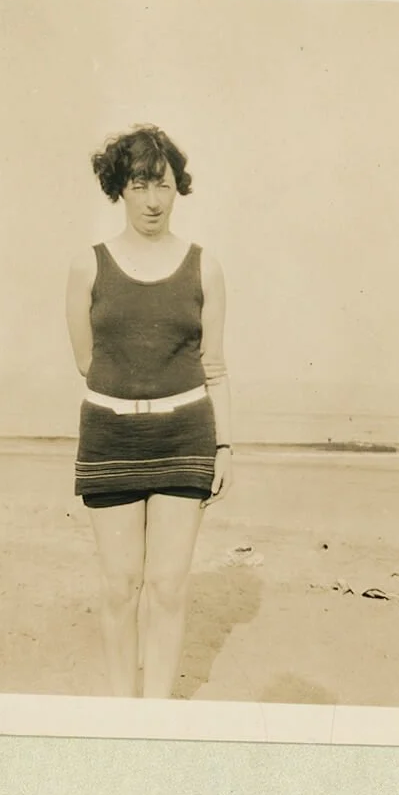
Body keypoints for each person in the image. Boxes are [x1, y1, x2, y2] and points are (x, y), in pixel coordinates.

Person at [65, 125, 233, 697]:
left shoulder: (203, 266)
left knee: (168, 586)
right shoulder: (87, 267)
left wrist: (226, 445)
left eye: (162, 185)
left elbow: (214, 364)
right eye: (140, 185)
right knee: (119, 586)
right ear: (120, 189)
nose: (154, 200)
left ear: (177, 187)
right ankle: (121, 709)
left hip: (186, 436)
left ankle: (157, 712)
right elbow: (88, 361)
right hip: (110, 437)